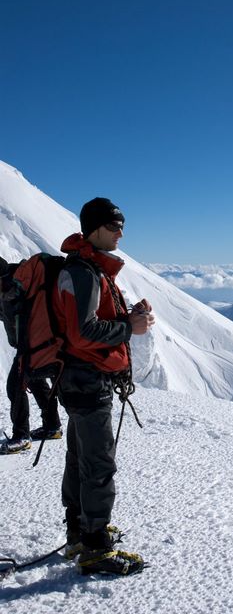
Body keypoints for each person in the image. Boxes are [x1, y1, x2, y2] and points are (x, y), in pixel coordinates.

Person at [53, 197, 154, 576]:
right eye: (114, 226)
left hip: (77, 378)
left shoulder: (88, 268)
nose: (120, 232)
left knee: (80, 458)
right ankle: (95, 548)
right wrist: (131, 327)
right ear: (93, 228)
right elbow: (83, 332)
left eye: (122, 225)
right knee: (98, 463)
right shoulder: (84, 272)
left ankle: (80, 532)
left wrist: (129, 318)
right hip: (85, 378)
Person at [0, 257, 62, 455]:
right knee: (36, 382)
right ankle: (52, 427)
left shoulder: (18, 288)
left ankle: (21, 436)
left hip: (35, 346)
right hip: (33, 346)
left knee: (15, 385)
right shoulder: (7, 289)